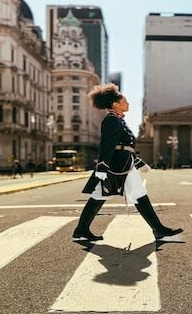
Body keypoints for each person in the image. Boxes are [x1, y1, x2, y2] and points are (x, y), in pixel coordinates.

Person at [72, 84, 183, 242]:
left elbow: (126, 148)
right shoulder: (112, 120)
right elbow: (108, 145)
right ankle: (159, 230)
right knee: (104, 195)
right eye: (125, 100)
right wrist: (102, 166)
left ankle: (82, 230)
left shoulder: (118, 120)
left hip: (124, 165)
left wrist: (138, 163)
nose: (128, 103)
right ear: (116, 104)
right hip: (116, 167)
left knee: (131, 194)